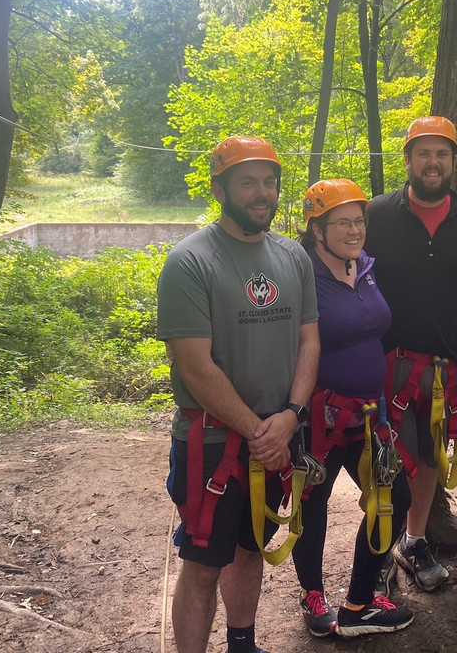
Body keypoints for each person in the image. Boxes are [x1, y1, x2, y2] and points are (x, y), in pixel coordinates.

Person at [157, 136, 320, 653]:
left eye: (269, 182)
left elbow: (308, 340)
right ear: (220, 187)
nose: (262, 193)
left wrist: (292, 416)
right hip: (213, 443)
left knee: (252, 548)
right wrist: (259, 432)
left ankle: (242, 643)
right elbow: (194, 366)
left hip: (277, 434)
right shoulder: (190, 262)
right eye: (247, 182)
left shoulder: (293, 256)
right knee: (204, 565)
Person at [363, 115, 457, 592]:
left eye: (441, 153)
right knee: (386, 461)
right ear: (407, 160)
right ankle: (376, 554)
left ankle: (415, 539)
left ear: (453, 161)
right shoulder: (376, 214)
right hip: (387, 364)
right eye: (423, 152)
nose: (432, 162)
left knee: (428, 459)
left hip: (449, 367)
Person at [290, 178, 415, 638]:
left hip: (369, 414)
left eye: (358, 220)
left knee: (393, 498)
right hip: (320, 416)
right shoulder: (301, 273)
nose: (353, 229)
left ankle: (359, 601)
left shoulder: (365, 267)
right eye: (340, 222)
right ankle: (311, 593)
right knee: (313, 502)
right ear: (316, 229)